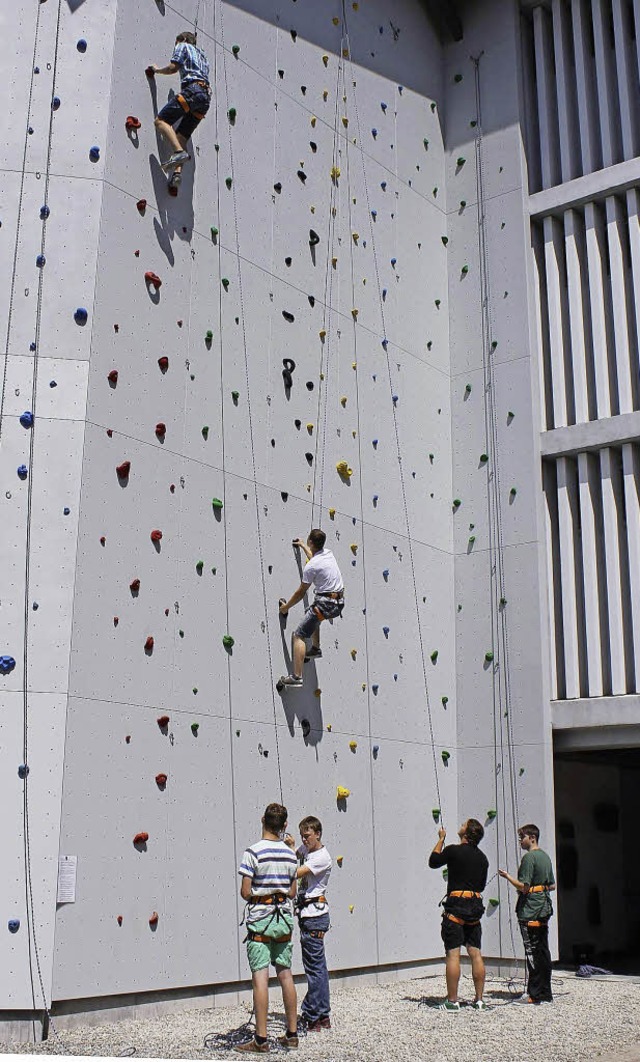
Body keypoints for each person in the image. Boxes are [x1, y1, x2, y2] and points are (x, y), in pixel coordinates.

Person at [235, 803, 299, 1053]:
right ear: (284, 826)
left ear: (262, 820)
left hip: (261, 920)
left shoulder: (253, 852)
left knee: (260, 978)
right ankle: (291, 1035)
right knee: (286, 974)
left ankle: (261, 1040)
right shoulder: (290, 854)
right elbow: (293, 892)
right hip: (283, 920)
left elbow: (245, 891)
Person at [428, 819, 489, 1012]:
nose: (461, 824)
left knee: (453, 954)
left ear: (467, 832)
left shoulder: (454, 850)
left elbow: (433, 861)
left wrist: (441, 839)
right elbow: (480, 886)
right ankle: (479, 1000)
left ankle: (452, 1001)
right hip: (475, 906)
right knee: (475, 954)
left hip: (456, 906)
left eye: (464, 824)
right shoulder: (483, 858)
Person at [278, 529, 344, 689]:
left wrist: (285, 608)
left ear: (310, 542)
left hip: (325, 604)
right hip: (338, 603)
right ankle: (315, 649)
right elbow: (314, 558)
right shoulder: (328, 553)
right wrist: (301, 545)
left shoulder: (311, 567)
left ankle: (296, 677)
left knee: (299, 635)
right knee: (312, 613)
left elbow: (301, 592)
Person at [499, 823, 555, 1004]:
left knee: (532, 952)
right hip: (544, 907)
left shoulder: (529, 858)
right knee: (543, 951)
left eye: (522, 838)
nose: (520, 842)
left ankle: (534, 994)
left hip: (530, 909)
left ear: (532, 837)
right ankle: (546, 993)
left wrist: (507, 877)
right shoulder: (545, 857)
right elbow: (552, 885)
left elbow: (524, 887)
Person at [147, 31, 211, 189]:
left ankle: (178, 153)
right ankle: (177, 175)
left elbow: (173, 68)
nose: (175, 46)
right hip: (205, 98)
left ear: (182, 39)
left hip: (193, 90)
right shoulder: (203, 56)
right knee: (181, 137)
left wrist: (157, 70)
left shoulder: (183, 45)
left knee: (160, 121)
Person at [285, 816, 332, 1031]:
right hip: (309, 915)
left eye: (308, 836)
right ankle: (322, 1015)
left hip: (314, 916)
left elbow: (295, 871)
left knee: (315, 970)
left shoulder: (322, 857)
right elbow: (295, 856)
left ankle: (312, 1014)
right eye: (303, 836)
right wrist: (291, 845)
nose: (305, 840)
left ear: (318, 834)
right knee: (318, 968)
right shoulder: (306, 851)